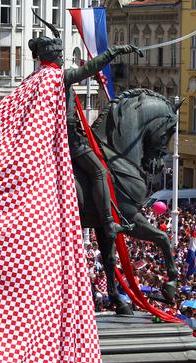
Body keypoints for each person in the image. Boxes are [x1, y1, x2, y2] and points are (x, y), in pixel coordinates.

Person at [29, 13, 141, 240]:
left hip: (47, 137)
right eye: (60, 55)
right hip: (67, 137)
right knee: (100, 171)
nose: (62, 59)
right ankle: (109, 223)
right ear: (52, 55)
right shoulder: (57, 77)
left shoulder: (35, 76)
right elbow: (90, 68)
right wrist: (115, 51)